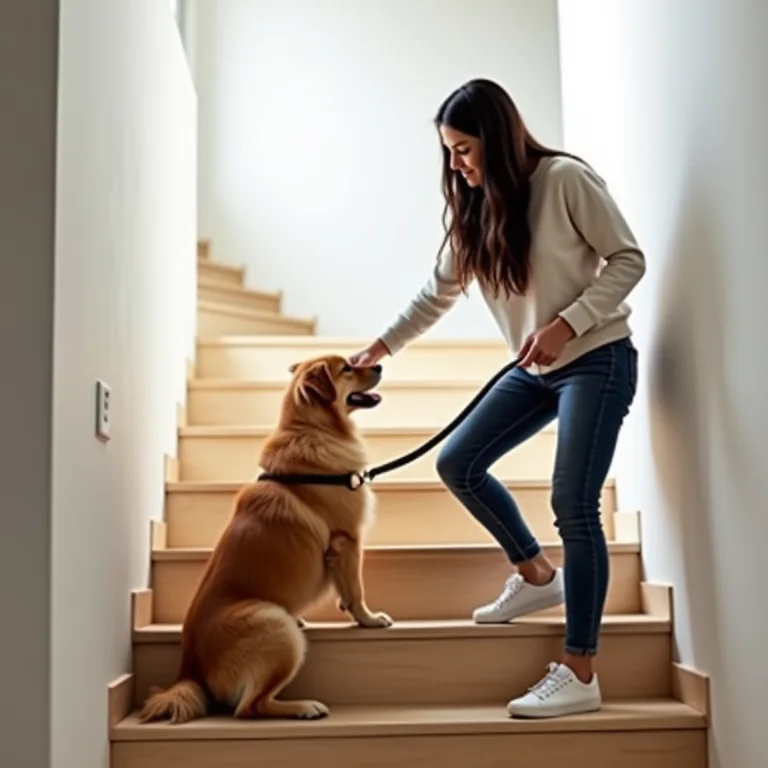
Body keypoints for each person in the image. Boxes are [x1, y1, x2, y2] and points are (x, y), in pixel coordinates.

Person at [350, 78, 644, 719]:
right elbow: (436, 293)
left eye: (463, 149)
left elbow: (627, 259)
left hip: (597, 358)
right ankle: (537, 576)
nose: (456, 164)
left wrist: (568, 323)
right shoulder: (479, 207)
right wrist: (380, 348)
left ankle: (581, 669)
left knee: (573, 500)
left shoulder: (565, 180)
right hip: (539, 369)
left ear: (500, 139)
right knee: (458, 462)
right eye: (449, 152)